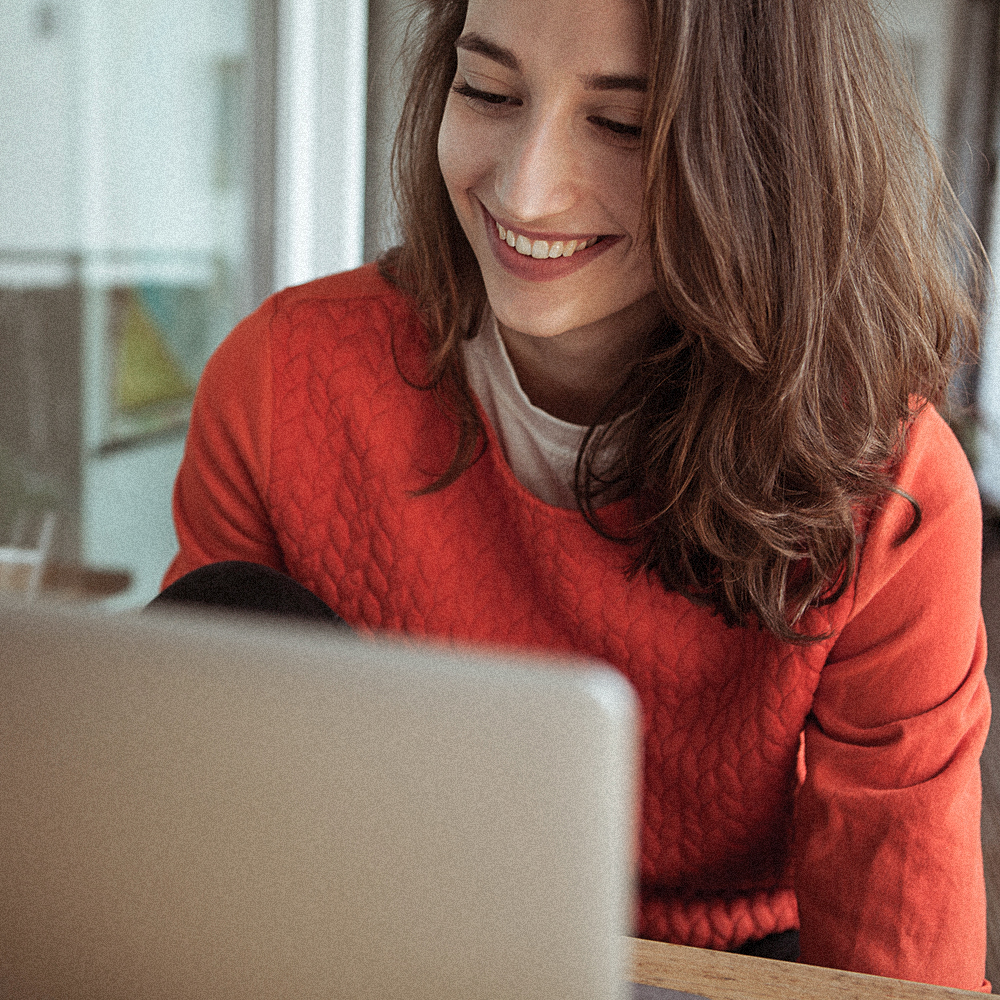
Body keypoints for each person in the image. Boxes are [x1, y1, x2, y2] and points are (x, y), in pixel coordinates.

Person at [159, 0, 991, 990]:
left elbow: (897, 956)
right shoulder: (276, 381)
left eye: (622, 123)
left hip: (720, 967)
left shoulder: (887, 488)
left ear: (763, 156)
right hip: (388, 949)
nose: (525, 187)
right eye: (488, 91)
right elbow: (192, 817)